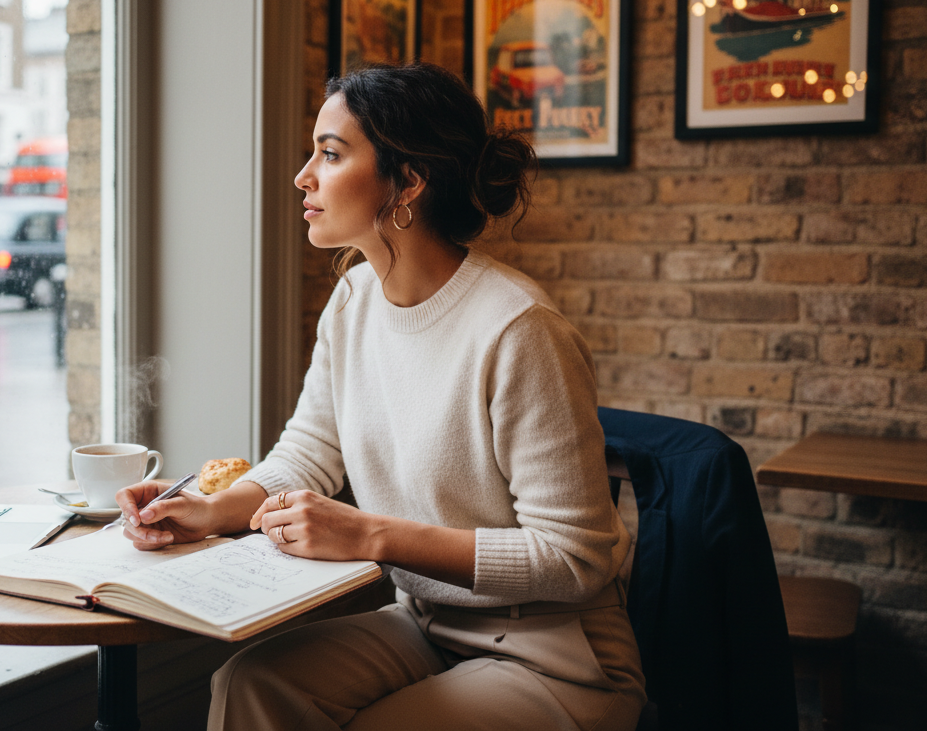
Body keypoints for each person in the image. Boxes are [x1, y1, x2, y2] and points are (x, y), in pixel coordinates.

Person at [115, 62, 644, 731]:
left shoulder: (517, 330)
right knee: (250, 684)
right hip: (427, 622)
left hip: (556, 654)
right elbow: (307, 457)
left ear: (408, 182)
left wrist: (370, 534)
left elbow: (578, 556)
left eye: (330, 154)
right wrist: (210, 510)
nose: (304, 176)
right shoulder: (353, 301)